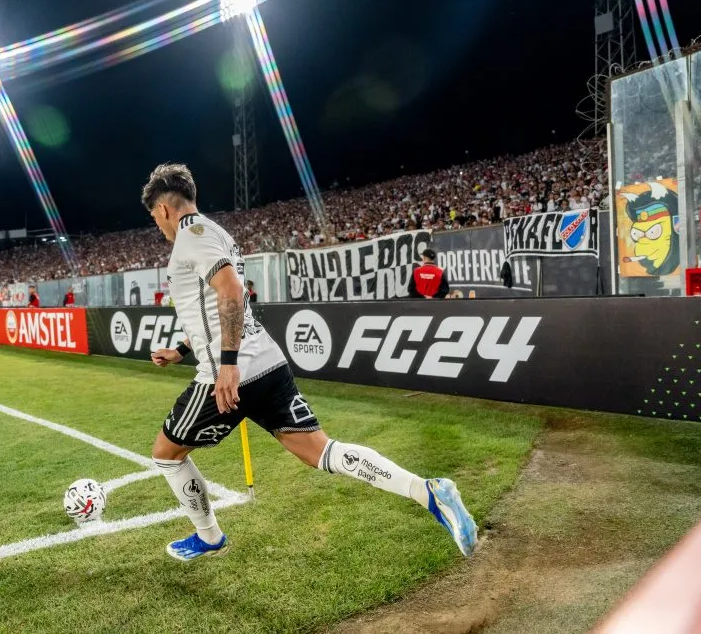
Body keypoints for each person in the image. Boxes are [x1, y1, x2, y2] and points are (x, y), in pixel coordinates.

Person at [141, 163, 477, 561]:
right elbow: (216, 307)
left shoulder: (190, 238)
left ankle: (210, 536)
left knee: (166, 453)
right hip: (266, 362)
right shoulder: (215, 232)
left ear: (163, 209)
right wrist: (182, 349)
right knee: (320, 450)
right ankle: (429, 491)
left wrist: (228, 362)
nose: (157, 227)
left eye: (154, 218)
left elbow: (231, 290)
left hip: (232, 371)